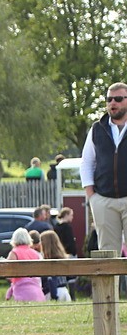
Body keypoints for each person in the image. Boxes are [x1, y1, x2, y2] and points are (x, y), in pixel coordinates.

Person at [81, 83, 127, 257]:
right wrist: (92, 196)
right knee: (107, 255)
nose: (112, 103)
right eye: (109, 99)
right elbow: (87, 162)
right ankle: (109, 287)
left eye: (118, 99)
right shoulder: (96, 129)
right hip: (103, 200)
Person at [4, 228, 45, 302]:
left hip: (21, 292)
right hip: (38, 293)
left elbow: (8, 274)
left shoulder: (14, 253)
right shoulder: (36, 254)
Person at [39, 230, 72, 301]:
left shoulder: (45, 262)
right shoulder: (63, 259)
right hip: (64, 290)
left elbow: (49, 280)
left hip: (52, 292)